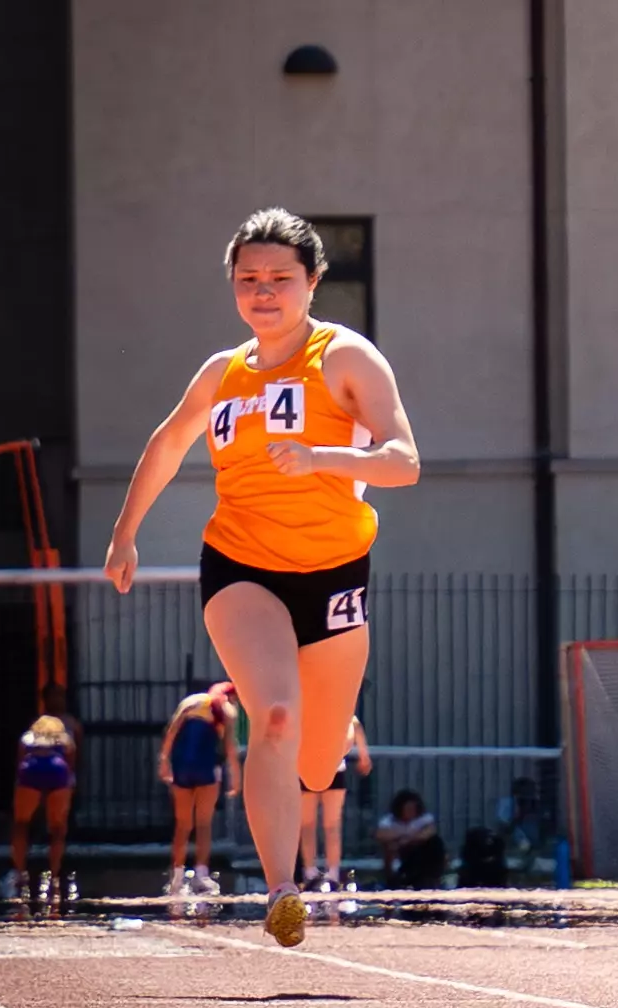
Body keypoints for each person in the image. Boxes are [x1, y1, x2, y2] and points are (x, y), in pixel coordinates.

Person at [103, 208, 421, 947]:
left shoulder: (346, 358)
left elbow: (404, 461)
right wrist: (124, 532)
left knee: (319, 757)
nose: (264, 291)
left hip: (334, 574)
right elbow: (168, 442)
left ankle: (310, 784)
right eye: (249, 279)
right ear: (234, 287)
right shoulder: (222, 373)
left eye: (280, 278)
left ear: (313, 281)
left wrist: (320, 458)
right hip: (240, 565)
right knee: (274, 714)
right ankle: (282, 891)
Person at [157, 682, 243, 896]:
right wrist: (236, 775)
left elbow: (172, 730)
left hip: (182, 766)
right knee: (204, 823)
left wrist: (164, 759)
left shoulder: (192, 701)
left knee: (183, 824)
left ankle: (177, 878)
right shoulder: (228, 711)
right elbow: (229, 747)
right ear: (232, 696)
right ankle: (201, 876)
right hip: (208, 767)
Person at [5, 711, 79, 902]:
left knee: (21, 824)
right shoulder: (64, 739)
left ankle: (20, 873)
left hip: (31, 771)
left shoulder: (28, 738)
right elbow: (71, 765)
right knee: (57, 828)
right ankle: (54, 876)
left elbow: (20, 761)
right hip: (57, 771)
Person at [299, 715, 371, 890]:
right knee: (321, 824)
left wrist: (363, 754)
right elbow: (354, 723)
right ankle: (319, 872)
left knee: (318, 824)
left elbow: (353, 722)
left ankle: (324, 872)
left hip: (322, 767)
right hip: (319, 766)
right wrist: (363, 754)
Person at [375, 789, 444, 889]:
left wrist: (406, 839)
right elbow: (380, 835)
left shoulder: (423, 819)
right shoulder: (389, 821)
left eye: (413, 808)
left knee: (434, 843)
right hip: (399, 853)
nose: (411, 811)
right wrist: (406, 836)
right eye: (408, 808)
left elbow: (429, 832)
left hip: (419, 851)